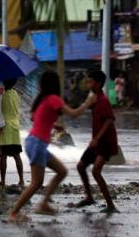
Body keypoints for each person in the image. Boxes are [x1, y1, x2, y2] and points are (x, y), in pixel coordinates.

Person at [8, 71, 96, 221]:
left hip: (34, 142)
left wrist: (53, 124)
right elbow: (73, 114)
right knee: (36, 183)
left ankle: (44, 204)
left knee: (61, 171)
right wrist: (88, 103)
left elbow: (34, 118)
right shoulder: (54, 99)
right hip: (37, 144)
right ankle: (14, 213)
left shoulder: (42, 99)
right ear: (56, 84)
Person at [74, 70, 118, 213]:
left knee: (96, 171)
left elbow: (110, 120)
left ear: (98, 84)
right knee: (81, 166)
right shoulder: (94, 99)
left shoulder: (103, 100)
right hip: (96, 142)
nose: (88, 84)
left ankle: (110, 205)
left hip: (105, 143)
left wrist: (97, 138)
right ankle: (89, 197)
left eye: (91, 81)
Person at [0, 79, 24, 188]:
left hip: (5, 126)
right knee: (16, 155)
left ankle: (3, 181)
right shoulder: (15, 94)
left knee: (3, 155)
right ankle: (21, 180)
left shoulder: (2, 95)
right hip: (15, 126)